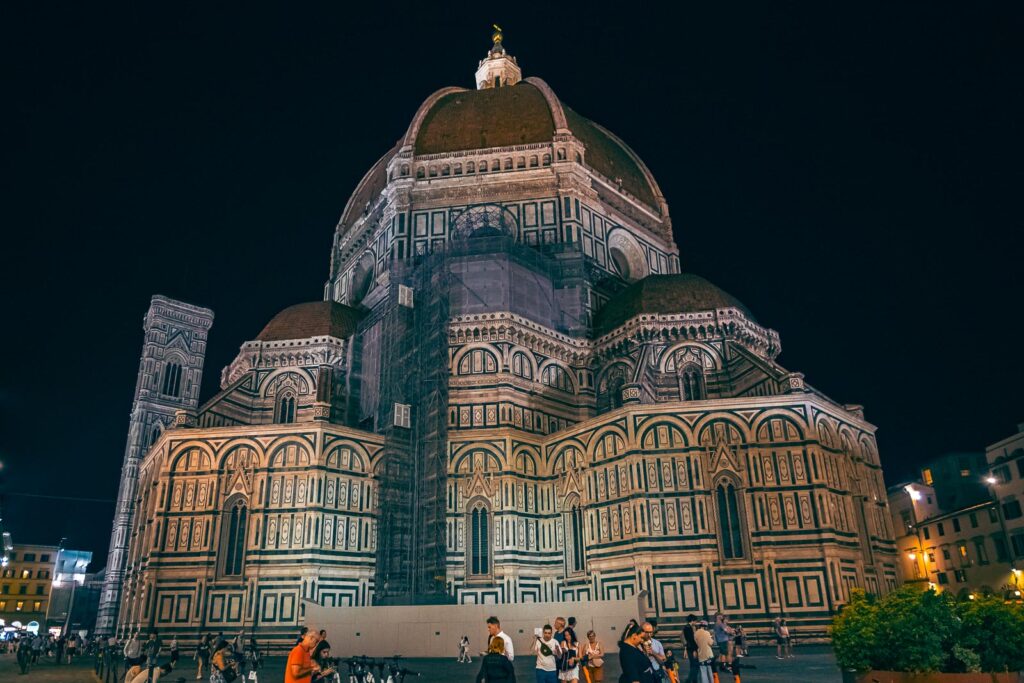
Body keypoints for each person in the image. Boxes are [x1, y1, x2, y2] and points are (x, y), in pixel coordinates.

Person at [681, 616, 699, 683]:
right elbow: (691, 640)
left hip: (690, 648)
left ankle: (692, 679)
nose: (696, 622)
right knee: (695, 665)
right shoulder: (688, 628)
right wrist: (694, 650)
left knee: (693, 664)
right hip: (692, 648)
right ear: (692, 620)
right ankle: (691, 679)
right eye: (695, 621)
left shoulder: (687, 627)